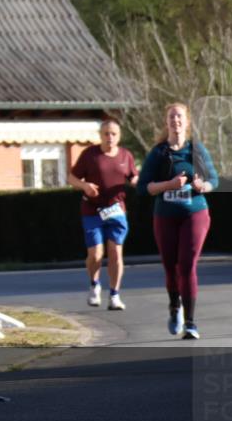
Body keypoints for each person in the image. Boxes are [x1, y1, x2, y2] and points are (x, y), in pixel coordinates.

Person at [137, 103, 218, 340]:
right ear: (166, 122)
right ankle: (175, 307)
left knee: (187, 264)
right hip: (165, 216)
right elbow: (144, 188)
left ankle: (191, 323)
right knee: (170, 267)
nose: (176, 120)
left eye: (179, 116)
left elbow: (214, 180)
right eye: (171, 116)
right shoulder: (159, 153)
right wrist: (169, 185)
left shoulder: (196, 150)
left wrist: (203, 185)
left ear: (187, 121)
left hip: (195, 212)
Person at [67, 118, 138, 310]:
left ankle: (114, 295)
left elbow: (134, 175)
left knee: (116, 253)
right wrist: (84, 185)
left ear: (119, 136)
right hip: (92, 211)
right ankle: (95, 285)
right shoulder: (90, 155)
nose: (110, 137)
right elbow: (71, 177)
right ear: (100, 136)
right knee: (96, 254)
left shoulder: (125, 155)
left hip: (117, 211)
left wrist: (138, 181)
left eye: (114, 134)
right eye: (106, 133)